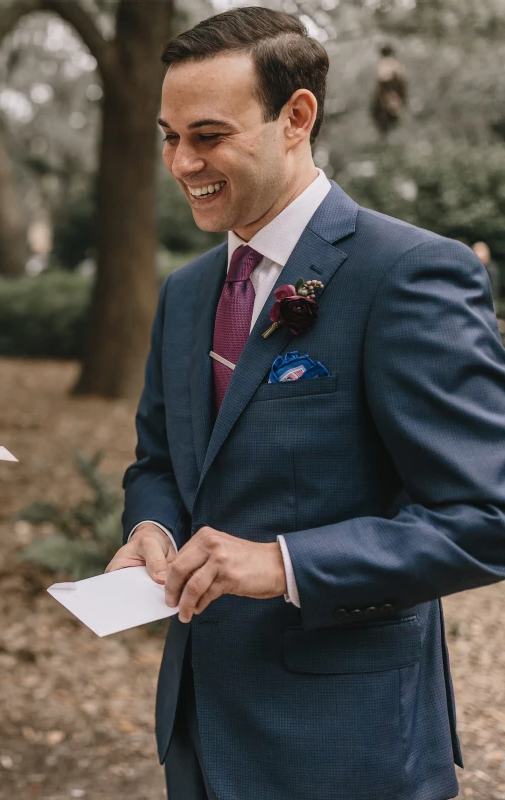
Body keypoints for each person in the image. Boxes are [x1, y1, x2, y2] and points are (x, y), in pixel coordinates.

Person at [110, 8, 505, 800]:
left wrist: (281, 563)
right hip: (199, 727)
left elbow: (486, 517)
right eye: (169, 135)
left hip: (348, 741)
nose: (181, 163)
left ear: (297, 117)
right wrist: (151, 527)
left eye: (208, 135)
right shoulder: (187, 294)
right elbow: (160, 461)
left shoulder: (411, 274)